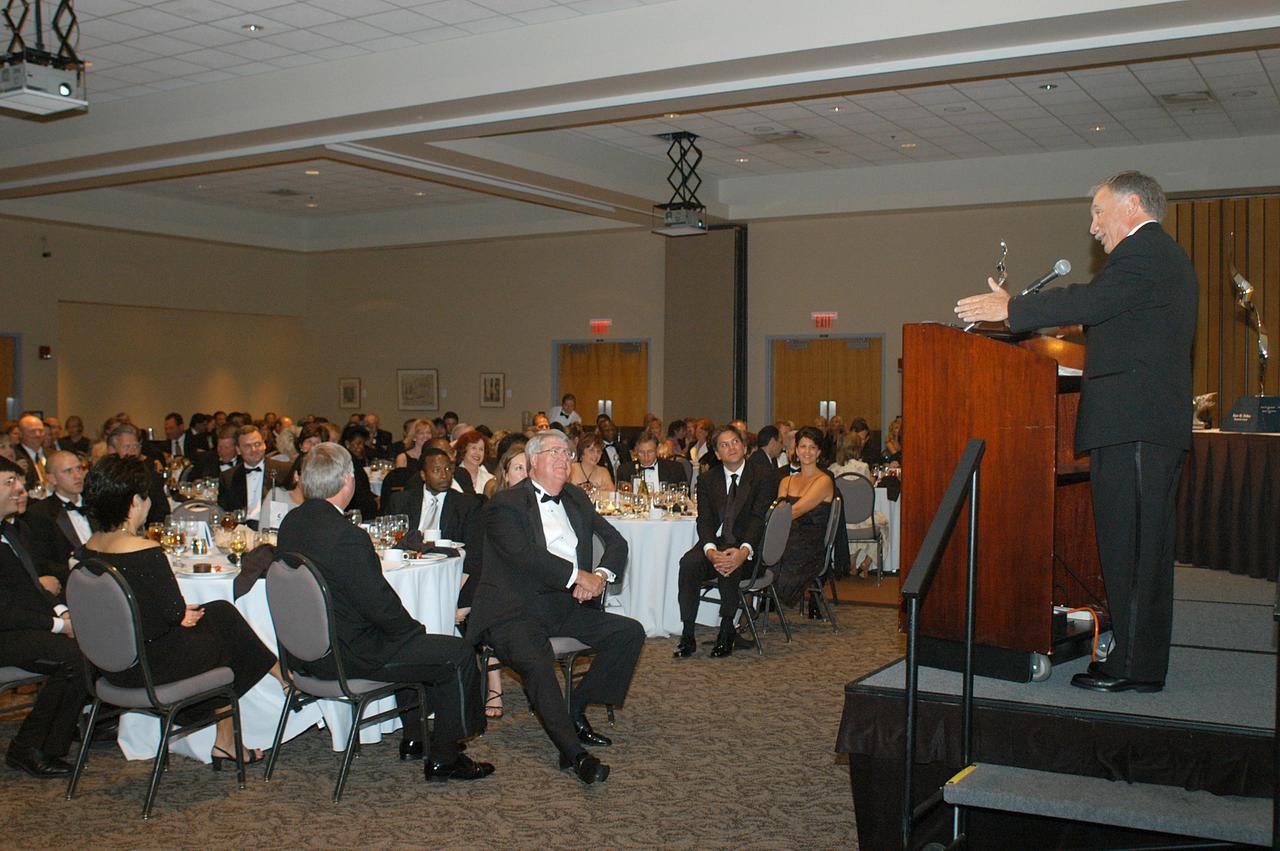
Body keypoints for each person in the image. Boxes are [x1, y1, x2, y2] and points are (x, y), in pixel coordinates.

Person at [955, 170, 1197, 694]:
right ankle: (1139, 658)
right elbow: (1114, 316)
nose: (1093, 227)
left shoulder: (1145, 252)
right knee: (1141, 549)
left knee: (1132, 549)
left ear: (1132, 205)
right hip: (1141, 424)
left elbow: (1091, 300)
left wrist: (1012, 309)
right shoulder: (1158, 258)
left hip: (1134, 426)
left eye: (1098, 212)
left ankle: (1134, 665)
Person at [276, 443, 492, 780]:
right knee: (456, 653)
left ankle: (415, 738)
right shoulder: (347, 536)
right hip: (348, 655)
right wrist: (415, 631)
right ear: (348, 481)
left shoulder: (292, 523)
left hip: (306, 654)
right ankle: (445, 757)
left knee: (411, 644)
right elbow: (379, 606)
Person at [468, 430, 643, 785]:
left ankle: (574, 709)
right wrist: (578, 577)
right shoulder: (506, 504)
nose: (565, 459)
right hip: (513, 609)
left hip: (562, 605)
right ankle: (575, 755)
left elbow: (615, 541)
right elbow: (526, 557)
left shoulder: (576, 497)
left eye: (568, 453)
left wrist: (600, 575)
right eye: (556, 453)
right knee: (538, 661)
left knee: (629, 633)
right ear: (534, 461)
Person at [80, 455, 279, 766]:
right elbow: (173, 612)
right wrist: (178, 613)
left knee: (220, 613)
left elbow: (129, 610)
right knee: (228, 638)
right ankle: (280, 677)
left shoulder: (88, 549)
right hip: (149, 669)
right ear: (134, 502)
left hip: (109, 668)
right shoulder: (144, 551)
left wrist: (177, 614)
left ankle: (230, 734)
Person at [0, 457, 87, 778]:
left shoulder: (11, 530)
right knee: (74, 658)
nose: (20, 489)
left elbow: (35, 586)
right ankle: (27, 747)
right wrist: (59, 625)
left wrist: (64, 613)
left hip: (22, 625)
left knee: (85, 652)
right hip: (6, 631)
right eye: (9, 482)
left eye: (18, 481)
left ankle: (52, 744)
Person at [674, 425, 776, 659]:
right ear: (717, 454)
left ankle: (727, 629)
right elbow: (705, 520)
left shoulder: (762, 476)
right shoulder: (708, 480)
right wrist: (709, 550)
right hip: (715, 543)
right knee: (688, 563)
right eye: (724, 444)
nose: (731, 447)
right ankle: (687, 632)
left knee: (730, 565)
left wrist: (743, 551)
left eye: (735, 442)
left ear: (744, 447)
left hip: (749, 550)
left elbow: (758, 519)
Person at [773, 426, 835, 606]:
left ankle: (760, 598)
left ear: (819, 452)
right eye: (803, 446)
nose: (807, 451)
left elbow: (794, 511)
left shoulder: (824, 481)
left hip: (809, 546)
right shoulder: (786, 480)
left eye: (812, 447)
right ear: (795, 450)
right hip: (787, 537)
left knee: (770, 551)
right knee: (754, 546)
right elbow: (779, 512)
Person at [24, 450, 91, 575]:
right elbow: (42, 562)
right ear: (51, 479)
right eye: (68, 471)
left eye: (79, 468)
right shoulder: (39, 513)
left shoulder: (96, 504)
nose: (77, 475)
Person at [216, 425, 291, 528]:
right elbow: (224, 513)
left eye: (257, 444)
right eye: (247, 446)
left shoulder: (284, 470)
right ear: (238, 450)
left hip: (273, 529)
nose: (254, 449)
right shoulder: (228, 477)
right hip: (241, 531)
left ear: (264, 445)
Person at [617, 434, 685, 491]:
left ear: (657, 450)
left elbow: (684, 496)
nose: (646, 457)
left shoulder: (675, 469)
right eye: (641, 452)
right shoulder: (624, 471)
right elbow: (622, 499)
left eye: (650, 452)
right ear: (636, 451)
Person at [452, 430, 494, 495]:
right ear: (464, 450)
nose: (477, 453)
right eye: (473, 448)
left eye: (481, 449)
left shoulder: (490, 478)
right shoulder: (452, 476)